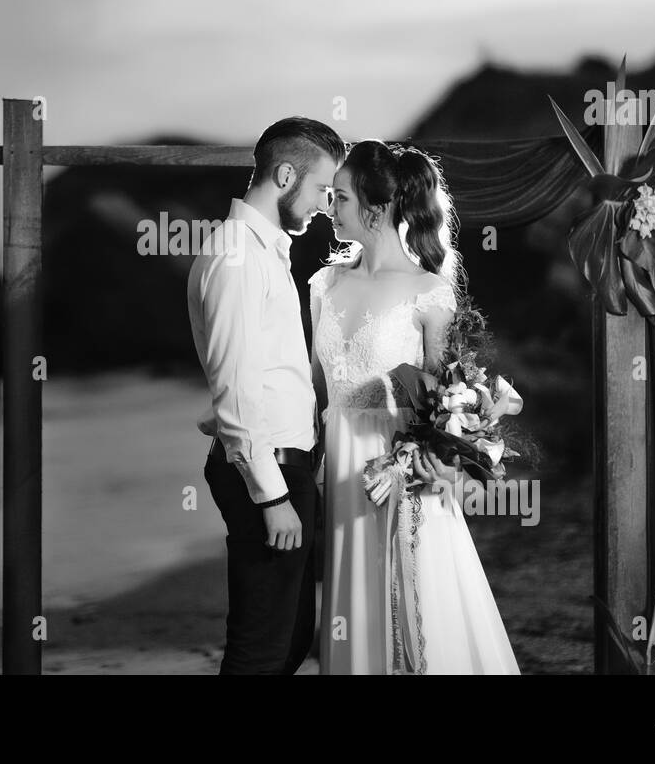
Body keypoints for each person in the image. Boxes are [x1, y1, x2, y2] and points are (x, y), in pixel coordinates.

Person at [311, 140, 519, 674]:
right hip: (338, 471)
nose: (330, 209)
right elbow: (313, 388)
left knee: (416, 604)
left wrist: (443, 460)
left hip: (398, 472)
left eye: (340, 198)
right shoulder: (323, 286)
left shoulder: (429, 293)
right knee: (350, 603)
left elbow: (445, 397)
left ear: (375, 208)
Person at [187, 116, 344, 674]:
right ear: (284, 174)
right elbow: (235, 387)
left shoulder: (266, 249)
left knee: (290, 639)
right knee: (260, 648)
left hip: (284, 465)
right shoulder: (236, 257)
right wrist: (271, 496)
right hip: (267, 472)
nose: (326, 205)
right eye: (324, 189)